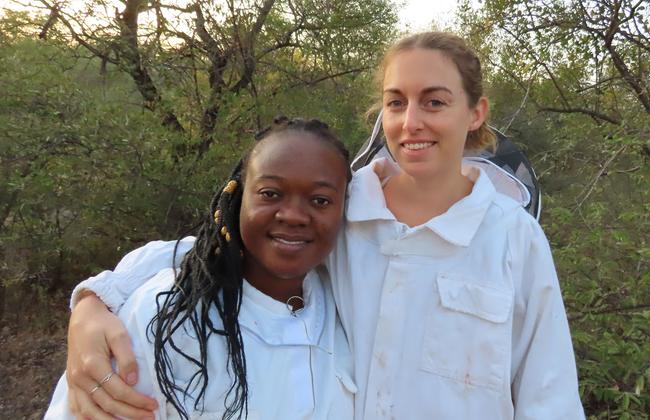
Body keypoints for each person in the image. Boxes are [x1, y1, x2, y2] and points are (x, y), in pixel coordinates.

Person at [60, 32, 585, 419]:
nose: (412, 122)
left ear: (475, 113)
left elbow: (549, 392)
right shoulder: (347, 206)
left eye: (435, 101)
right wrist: (94, 301)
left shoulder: (514, 237)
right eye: (396, 102)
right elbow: (215, 244)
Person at [45, 118, 356, 419]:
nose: (293, 215)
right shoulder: (164, 314)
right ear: (236, 199)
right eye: (270, 194)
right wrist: (94, 298)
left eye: (320, 200)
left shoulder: (346, 309)